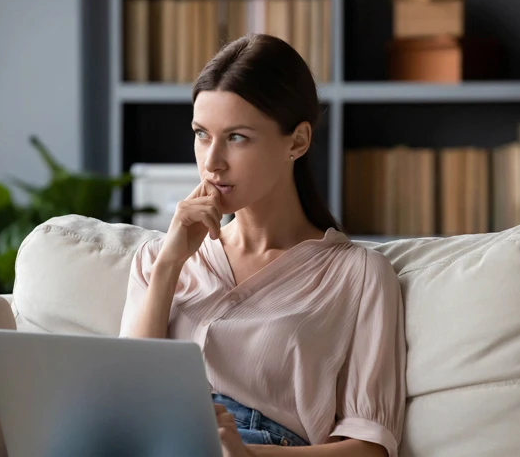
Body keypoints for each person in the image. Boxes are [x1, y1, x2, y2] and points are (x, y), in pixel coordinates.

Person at [119, 33, 406, 457]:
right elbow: (125, 399)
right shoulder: (160, 258)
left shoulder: (357, 275)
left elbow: (369, 448)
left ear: (297, 141)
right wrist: (169, 266)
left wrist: (247, 454)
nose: (212, 161)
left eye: (236, 137)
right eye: (202, 134)